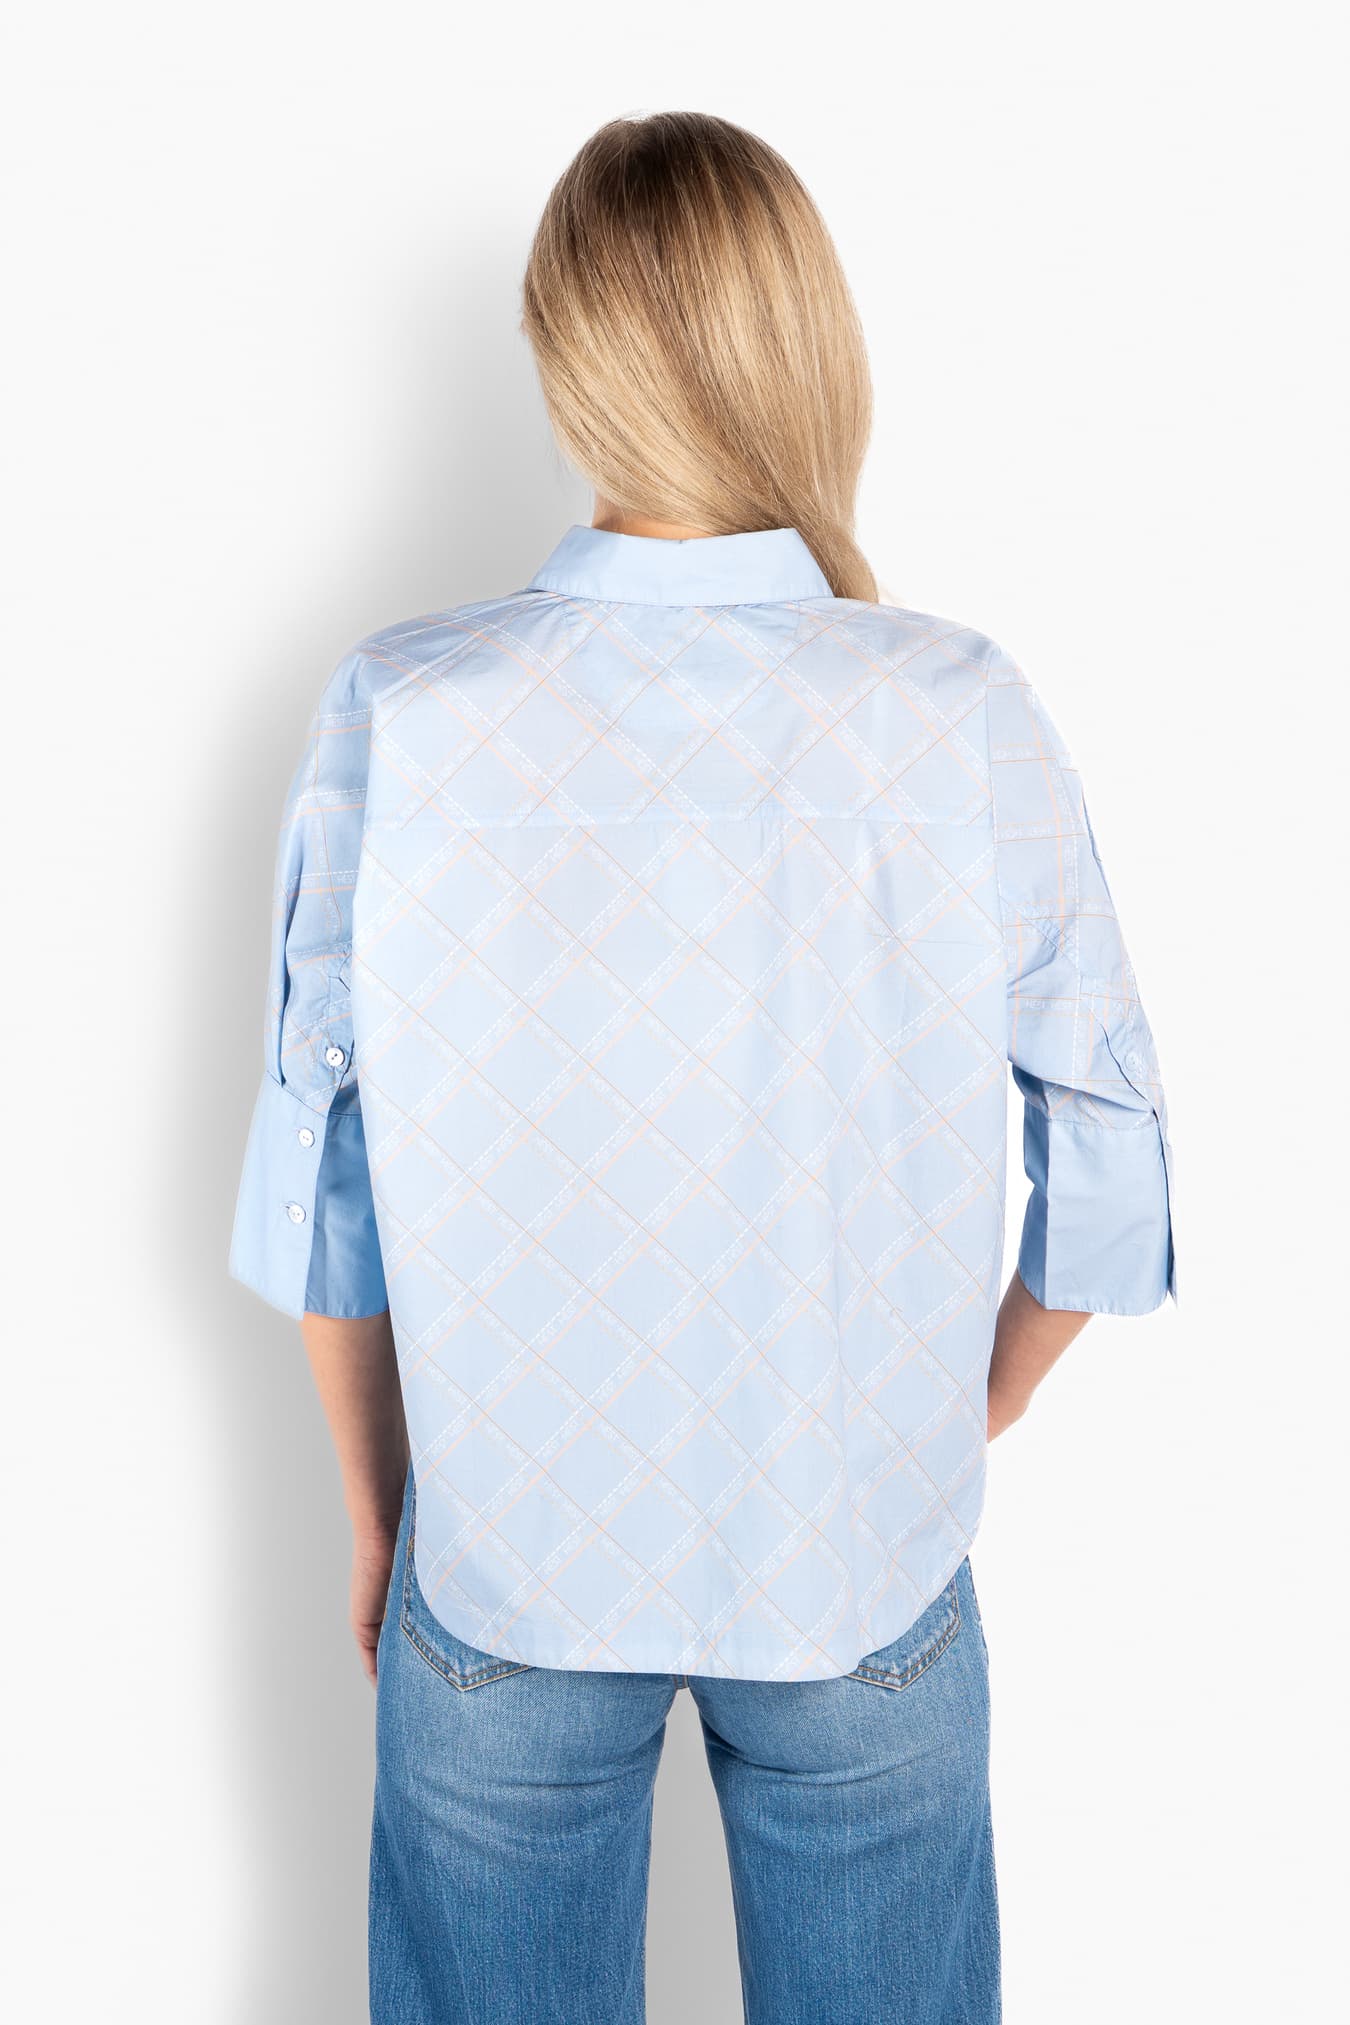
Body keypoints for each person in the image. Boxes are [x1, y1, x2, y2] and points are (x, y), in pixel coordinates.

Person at [229, 109, 1176, 2025]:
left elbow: (324, 1165)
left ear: (564, 356)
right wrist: (960, 1408)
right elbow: (1110, 1148)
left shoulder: (404, 705)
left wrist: (382, 1515)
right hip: (858, 1567)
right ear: (810, 347)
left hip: (500, 1566)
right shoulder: (953, 705)